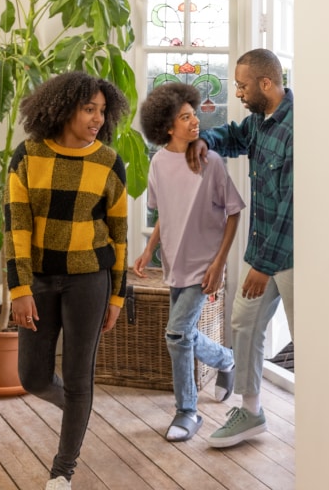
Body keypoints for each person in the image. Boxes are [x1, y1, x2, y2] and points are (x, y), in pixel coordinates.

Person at [4, 72, 129, 490]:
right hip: (38, 280)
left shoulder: (109, 161)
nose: (97, 118)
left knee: (79, 377)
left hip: (90, 280)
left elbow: (120, 234)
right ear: (62, 108)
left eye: (102, 111)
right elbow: (15, 228)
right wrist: (20, 290)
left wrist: (117, 296)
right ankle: (78, 408)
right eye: (88, 109)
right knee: (33, 377)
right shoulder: (27, 155)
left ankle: (63, 471)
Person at [186, 48, 294, 448]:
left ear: (266, 83)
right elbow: (232, 136)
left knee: (307, 337)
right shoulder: (260, 123)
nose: (240, 92)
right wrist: (205, 142)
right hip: (264, 250)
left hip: (291, 259)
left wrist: (263, 266)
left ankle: (321, 418)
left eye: (243, 86)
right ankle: (251, 411)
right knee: (244, 323)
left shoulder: (296, 128)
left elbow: (292, 206)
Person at [133, 82, 245, 442]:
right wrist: (150, 248)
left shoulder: (209, 161)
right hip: (173, 264)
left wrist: (219, 264)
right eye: (185, 117)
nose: (195, 121)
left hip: (204, 265)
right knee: (183, 333)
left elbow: (233, 212)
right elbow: (166, 212)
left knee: (176, 333)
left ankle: (187, 411)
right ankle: (226, 359)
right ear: (168, 126)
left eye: (194, 113)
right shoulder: (158, 163)